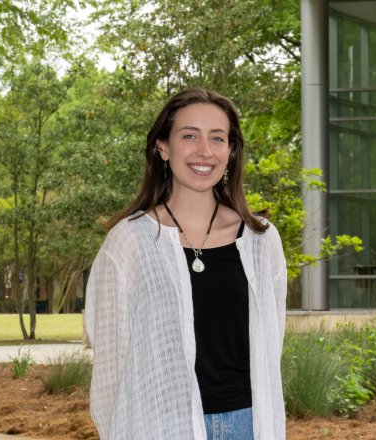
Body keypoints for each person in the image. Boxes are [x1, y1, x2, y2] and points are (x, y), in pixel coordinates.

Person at [84, 88, 287, 439]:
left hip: (248, 424)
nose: (204, 151)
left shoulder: (260, 239)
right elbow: (110, 357)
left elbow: (273, 342)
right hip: (161, 423)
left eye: (217, 138)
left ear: (231, 151)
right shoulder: (130, 241)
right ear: (163, 147)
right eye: (189, 136)